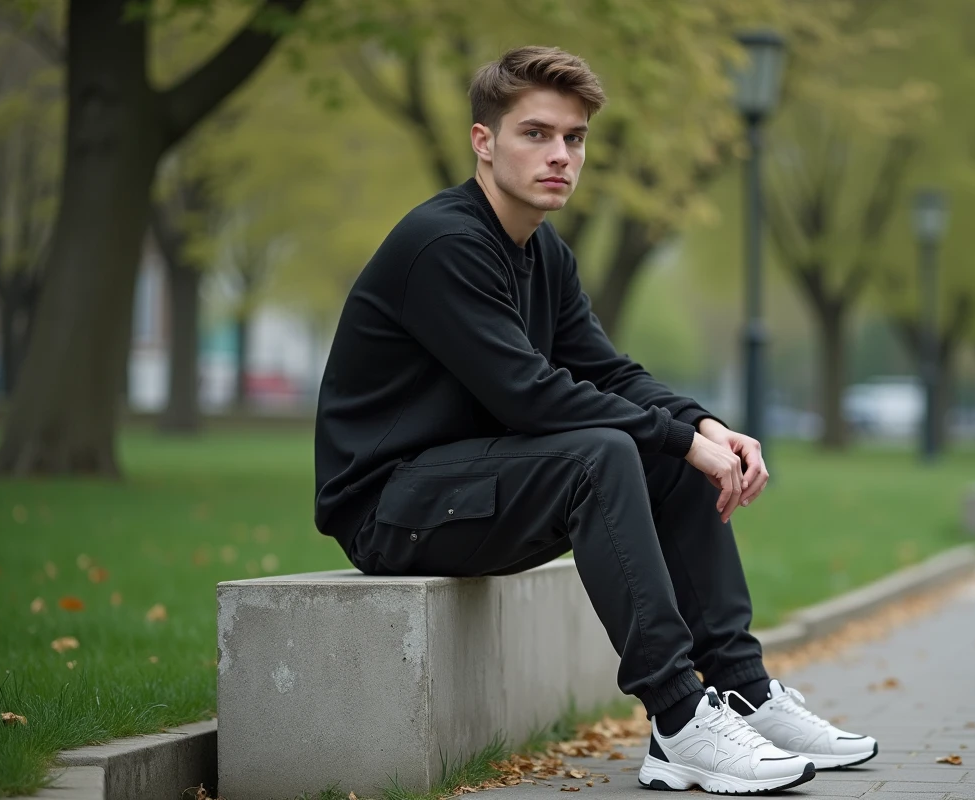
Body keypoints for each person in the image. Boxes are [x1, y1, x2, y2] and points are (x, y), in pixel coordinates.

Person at [313, 45, 877, 794]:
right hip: (392, 509)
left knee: (649, 450)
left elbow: (607, 371)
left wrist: (703, 428)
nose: (560, 156)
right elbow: (531, 394)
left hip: (475, 485)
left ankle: (744, 688)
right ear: (483, 142)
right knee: (603, 453)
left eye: (574, 139)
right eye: (535, 134)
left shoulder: (544, 252)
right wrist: (677, 439)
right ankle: (679, 718)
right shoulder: (444, 244)